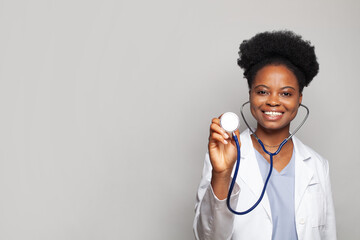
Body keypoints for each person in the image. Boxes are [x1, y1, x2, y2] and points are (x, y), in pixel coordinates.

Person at [193, 30, 337, 240]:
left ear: (299, 99)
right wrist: (222, 174)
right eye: (262, 91)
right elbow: (207, 237)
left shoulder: (317, 165)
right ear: (250, 94)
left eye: (286, 93)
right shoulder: (223, 158)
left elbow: (328, 235)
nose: (273, 101)